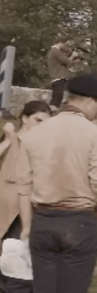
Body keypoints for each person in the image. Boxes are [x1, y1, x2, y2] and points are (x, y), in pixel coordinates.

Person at [13, 74, 97, 293]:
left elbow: (23, 184)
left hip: (43, 220)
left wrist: (28, 227)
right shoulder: (92, 133)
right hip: (79, 221)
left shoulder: (35, 133)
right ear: (91, 102)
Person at [0, 101, 50, 240]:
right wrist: (8, 140)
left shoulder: (44, 147)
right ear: (24, 118)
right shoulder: (11, 138)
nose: (41, 125)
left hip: (26, 208)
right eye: (37, 120)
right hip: (3, 203)